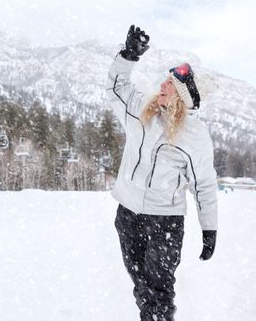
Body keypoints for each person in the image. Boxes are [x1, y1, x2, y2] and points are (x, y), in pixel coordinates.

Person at [106, 25, 218, 321]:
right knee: (142, 286)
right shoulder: (141, 110)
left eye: (170, 84)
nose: (163, 85)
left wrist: (209, 228)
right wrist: (128, 56)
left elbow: (204, 184)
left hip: (164, 223)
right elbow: (116, 86)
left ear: (181, 97)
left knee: (159, 289)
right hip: (128, 215)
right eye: (166, 80)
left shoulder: (194, 136)